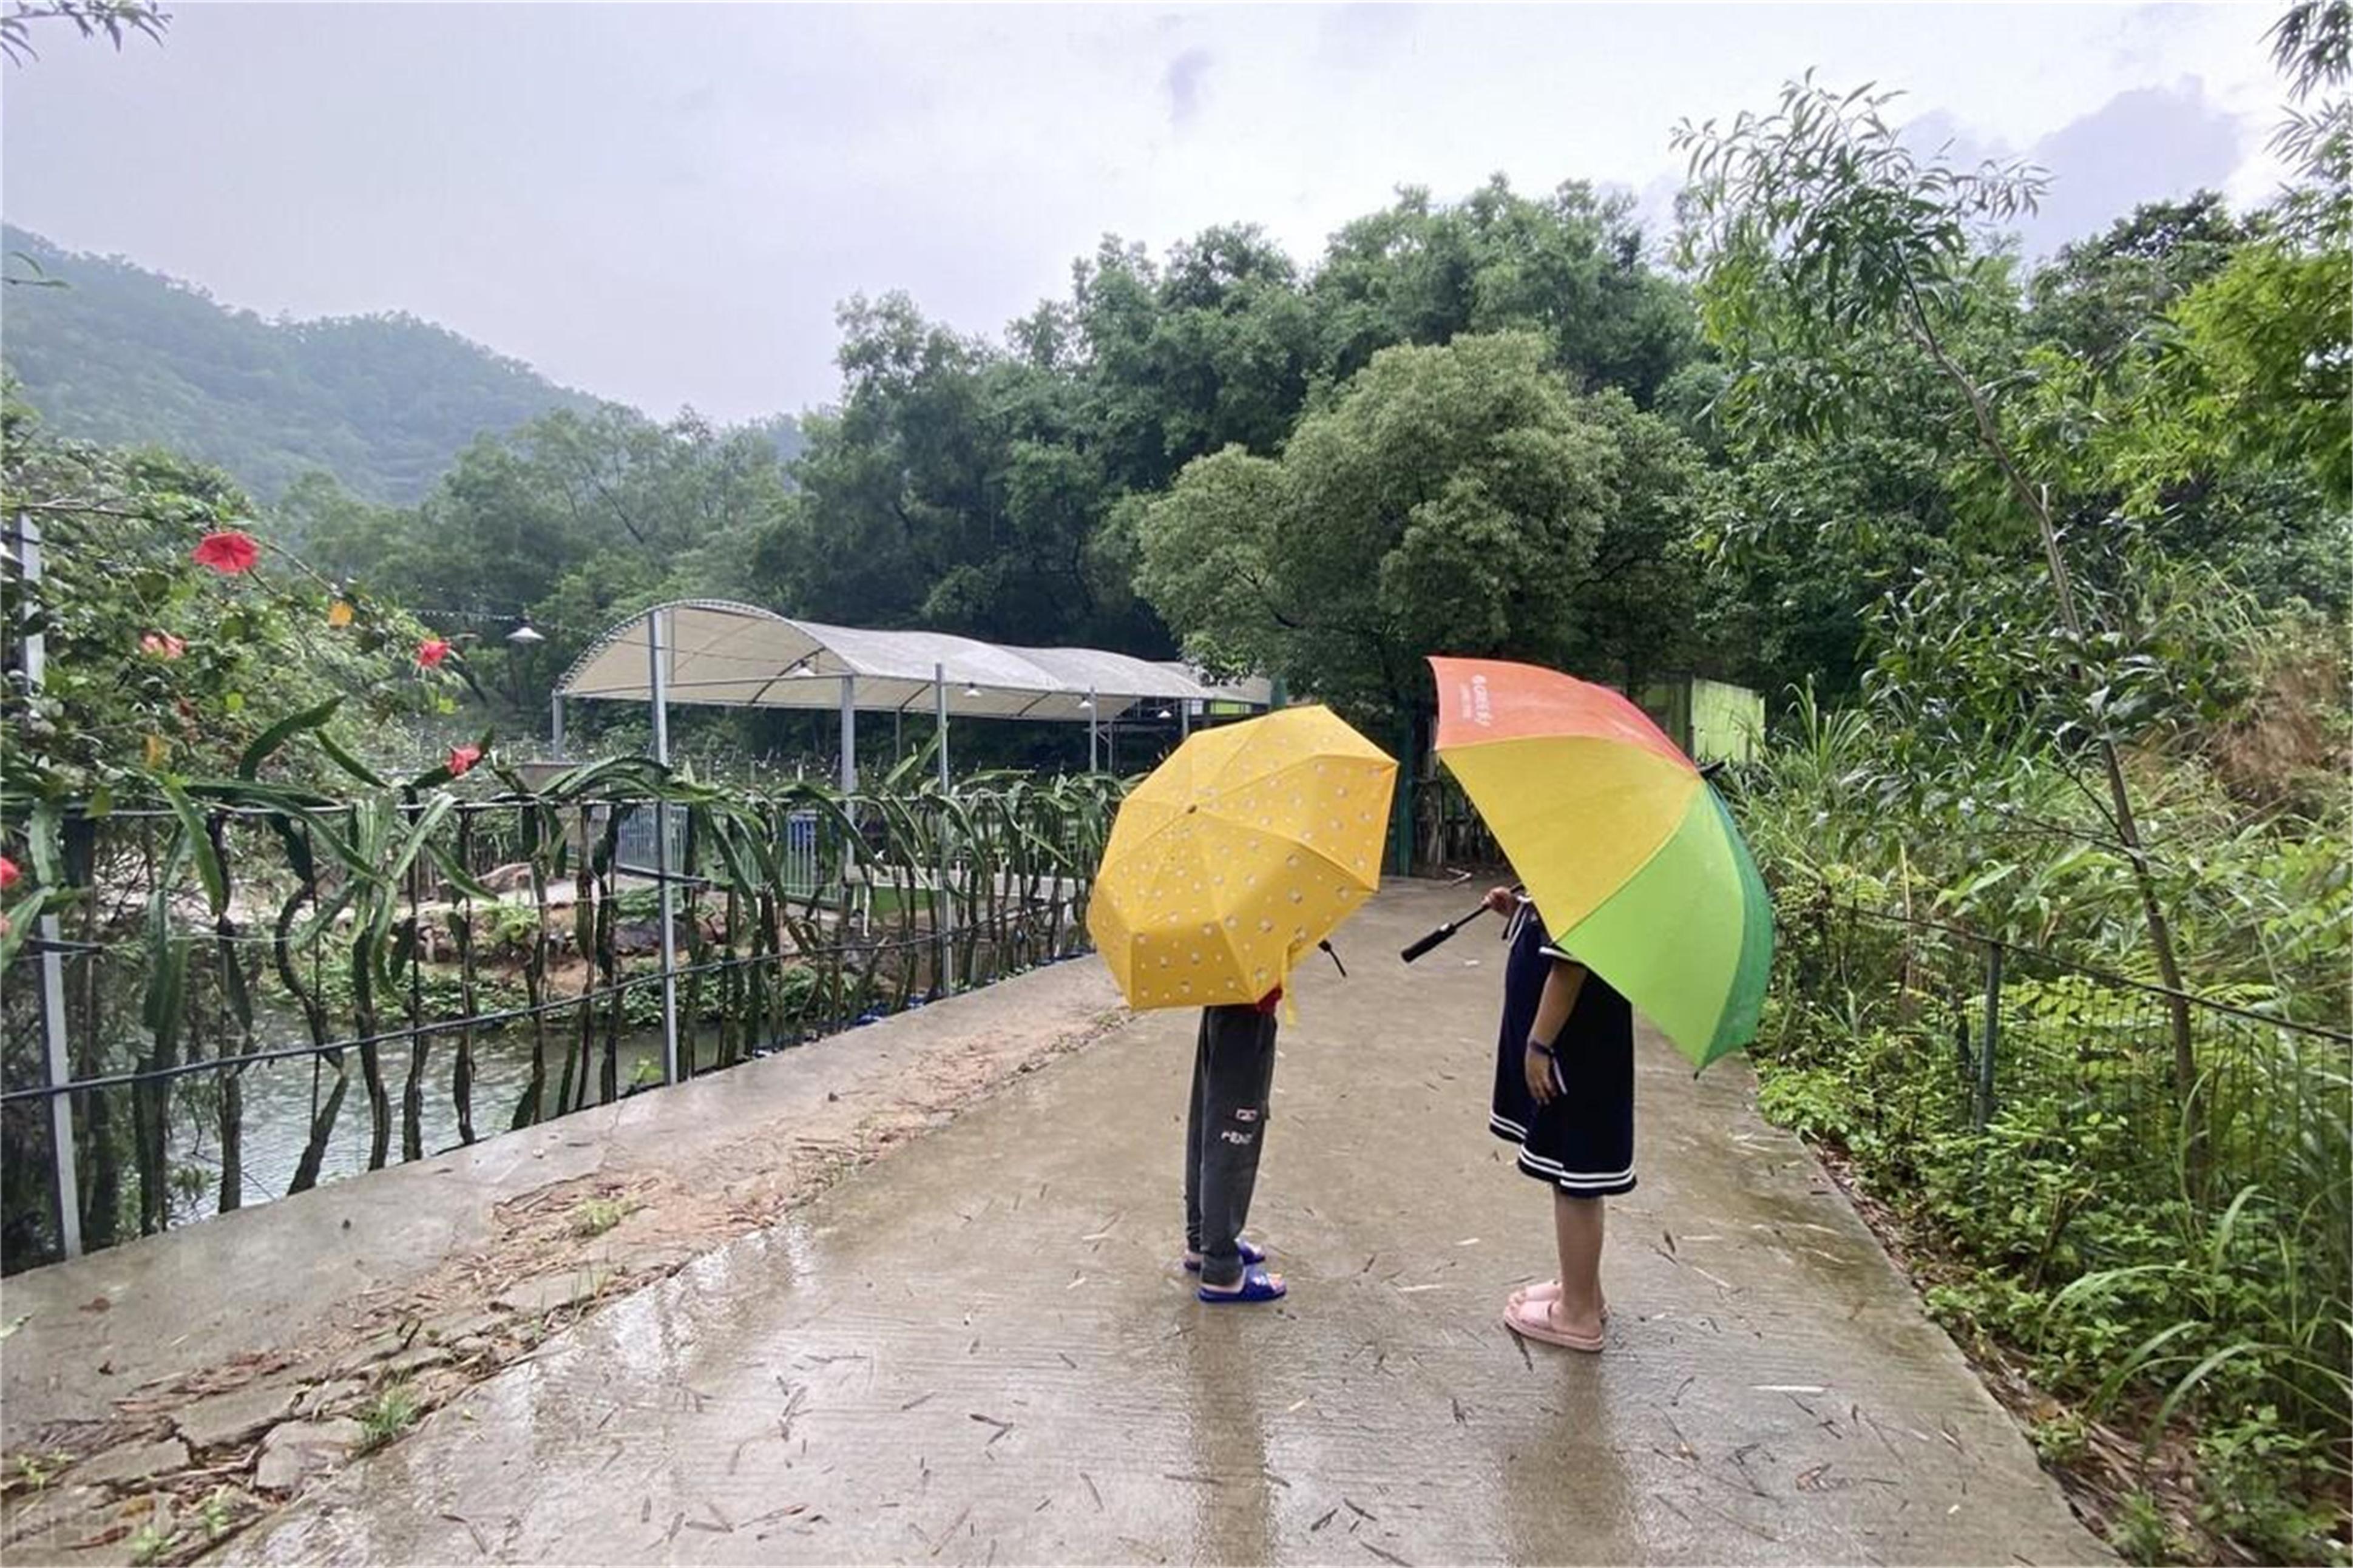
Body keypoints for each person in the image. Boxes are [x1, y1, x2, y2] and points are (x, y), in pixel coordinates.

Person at [1483, 884, 1636, 1352]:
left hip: (1573, 1044)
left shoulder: (1594, 863)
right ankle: (1583, 1288)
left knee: (1576, 1174)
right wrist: (1521, 910)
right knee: (1568, 1169)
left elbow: (1570, 962)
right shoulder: (1576, 855)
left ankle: (1577, 1317)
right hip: (1573, 1041)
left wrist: (1538, 1045)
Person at [1182, 988, 1285, 1303]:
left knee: (1209, 1123)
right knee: (1232, 1134)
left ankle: (1204, 1242)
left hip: (1222, 995)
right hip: (1248, 1005)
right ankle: (1222, 1270)